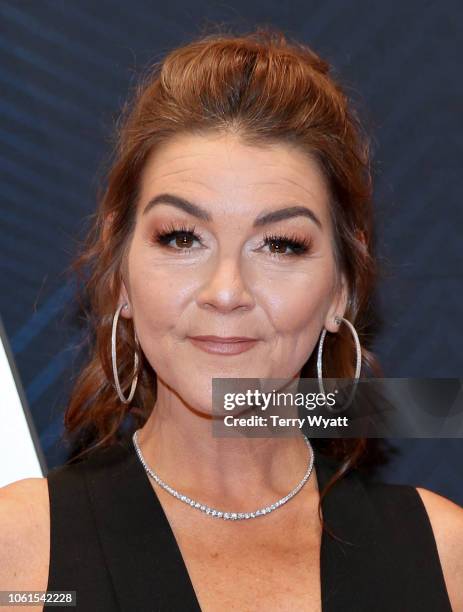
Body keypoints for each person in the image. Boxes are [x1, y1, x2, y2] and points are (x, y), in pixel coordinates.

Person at [1, 27, 462, 612]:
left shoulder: (445, 559)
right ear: (120, 271)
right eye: (182, 237)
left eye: (281, 245)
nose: (226, 292)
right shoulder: (19, 558)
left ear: (341, 289)